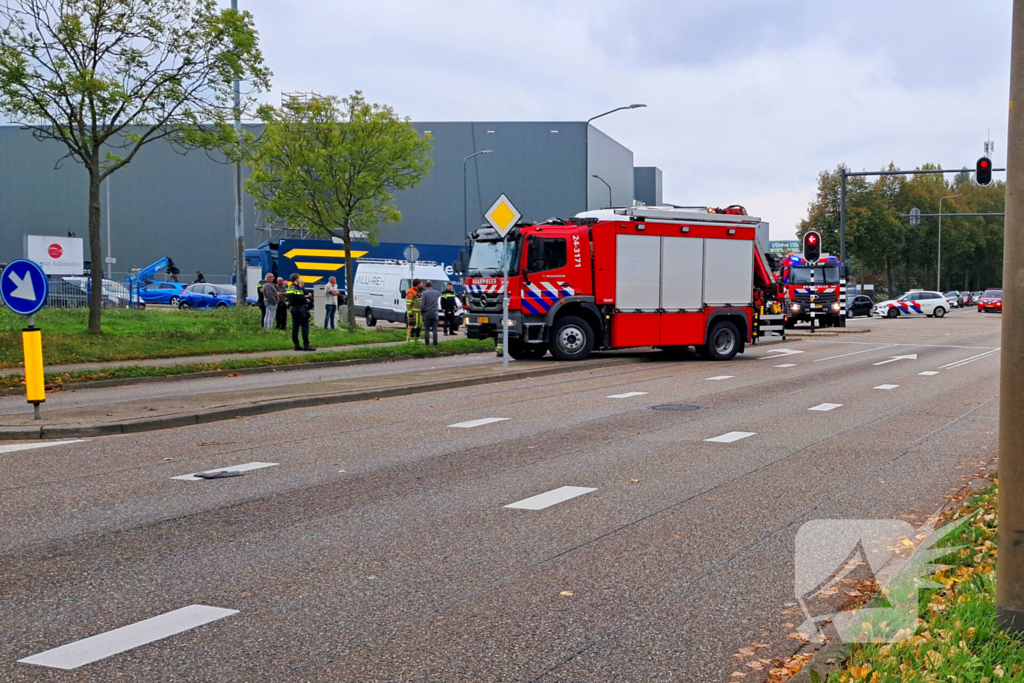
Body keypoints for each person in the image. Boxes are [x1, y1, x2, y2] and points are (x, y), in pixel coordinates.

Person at [286, 274, 316, 351]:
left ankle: (296, 344)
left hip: (293, 308)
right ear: (296, 279)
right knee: (305, 326)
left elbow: (292, 297)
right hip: (300, 309)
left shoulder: (289, 287)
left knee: (295, 327)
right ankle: (306, 344)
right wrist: (307, 300)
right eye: (299, 278)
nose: (300, 279)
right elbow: (301, 298)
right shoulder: (297, 288)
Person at [420, 280, 441, 346]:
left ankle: (427, 343)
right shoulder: (437, 293)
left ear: (425, 286)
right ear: (432, 286)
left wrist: (421, 311)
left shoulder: (424, 293)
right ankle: (435, 343)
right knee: (435, 329)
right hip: (435, 313)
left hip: (427, 313)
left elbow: (422, 304)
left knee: (427, 329)